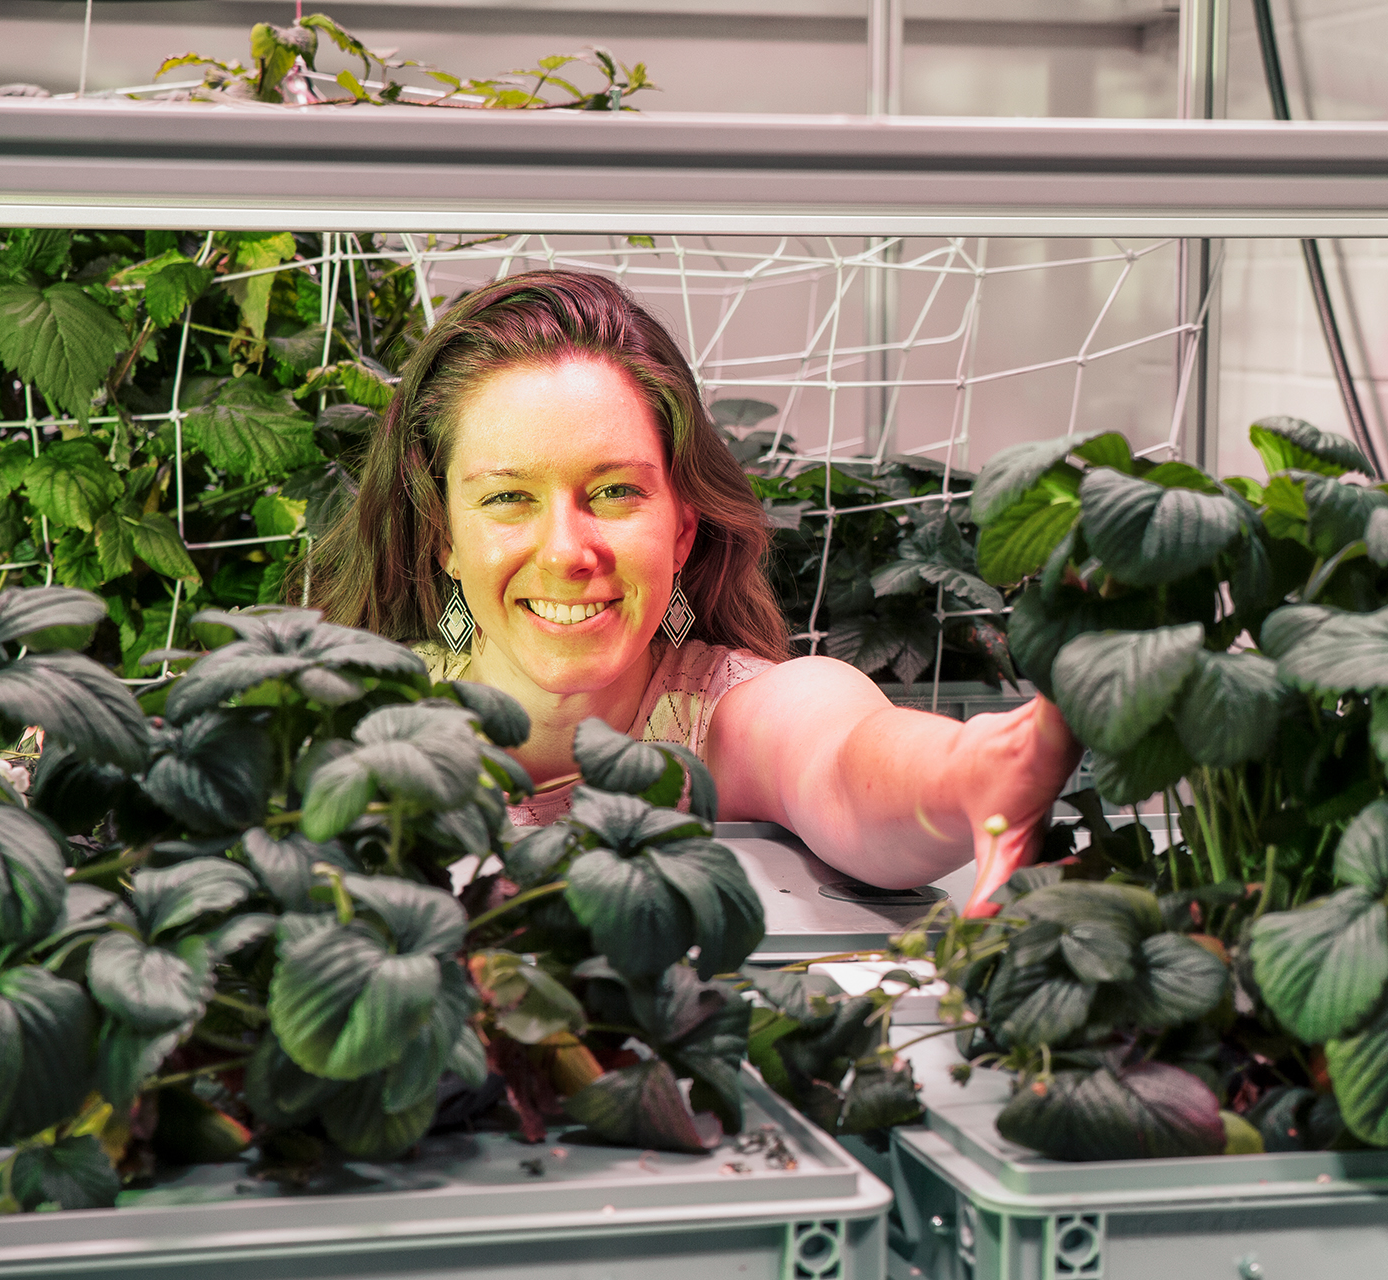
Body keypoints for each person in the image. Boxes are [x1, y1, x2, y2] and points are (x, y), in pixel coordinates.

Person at [304, 269, 1081, 913]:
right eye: (508, 498)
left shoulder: (719, 717)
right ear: (444, 534)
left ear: (683, 527)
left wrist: (981, 765)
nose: (569, 551)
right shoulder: (361, 716)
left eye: (613, 492)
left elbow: (845, 763)